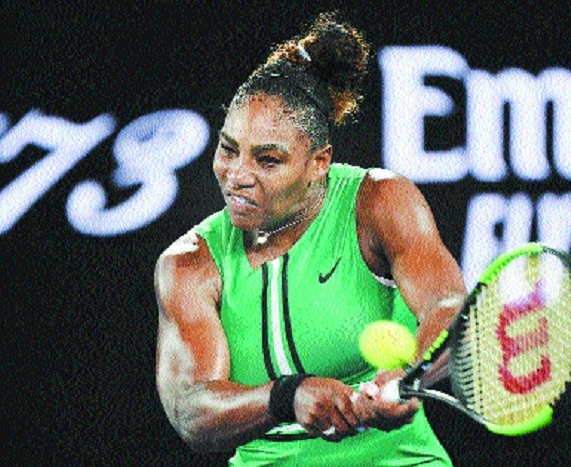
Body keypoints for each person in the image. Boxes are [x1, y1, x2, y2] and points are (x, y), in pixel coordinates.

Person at [154, 12, 466, 466]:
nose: (237, 175)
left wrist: (403, 377)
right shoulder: (188, 264)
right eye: (228, 149)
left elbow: (449, 307)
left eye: (268, 160)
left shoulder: (379, 202)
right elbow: (191, 412)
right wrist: (287, 396)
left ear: (319, 162)